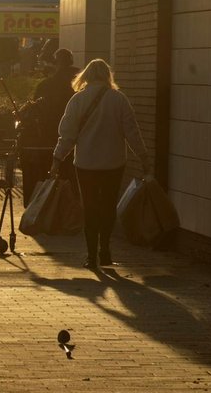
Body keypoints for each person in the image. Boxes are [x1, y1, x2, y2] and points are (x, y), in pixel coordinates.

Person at [52, 58, 150, 270]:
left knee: (90, 208)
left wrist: (57, 159)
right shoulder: (119, 100)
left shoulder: (77, 101)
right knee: (107, 207)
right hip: (113, 163)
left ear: (86, 76)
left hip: (86, 164)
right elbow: (132, 132)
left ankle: (90, 256)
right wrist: (143, 157)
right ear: (107, 76)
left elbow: (67, 135)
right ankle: (105, 250)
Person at [17, 48, 78, 205]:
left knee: (49, 173)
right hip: (77, 137)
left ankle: (50, 206)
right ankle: (71, 206)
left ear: (55, 63)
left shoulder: (46, 85)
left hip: (48, 136)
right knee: (71, 175)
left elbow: (35, 110)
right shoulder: (80, 84)